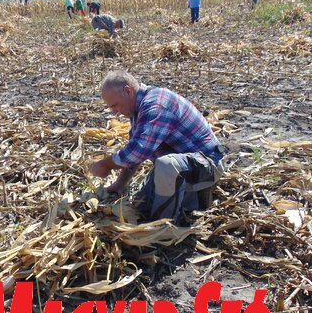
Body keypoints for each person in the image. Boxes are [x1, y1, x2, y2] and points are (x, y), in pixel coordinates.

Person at [88, 71, 225, 224]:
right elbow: (137, 151)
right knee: (141, 206)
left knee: (166, 165)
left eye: (115, 105)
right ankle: (189, 200)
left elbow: (138, 151)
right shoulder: (138, 110)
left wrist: (105, 164)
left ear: (127, 91)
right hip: (185, 166)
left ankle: (163, 226)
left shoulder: (157, 104)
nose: (114, 112)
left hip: (207, 165)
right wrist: (119, 184)